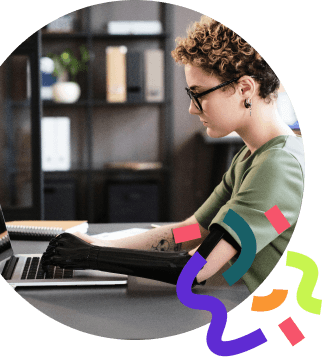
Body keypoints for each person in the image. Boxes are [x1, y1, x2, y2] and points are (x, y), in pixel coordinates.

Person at [42, 16, 304, 293]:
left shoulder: (278, 166)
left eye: (199, 93)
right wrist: (98, 244)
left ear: (245, 89)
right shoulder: (251, 157)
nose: (192, 108)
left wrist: (89, 257)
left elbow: (196, 269)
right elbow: (193, 230)